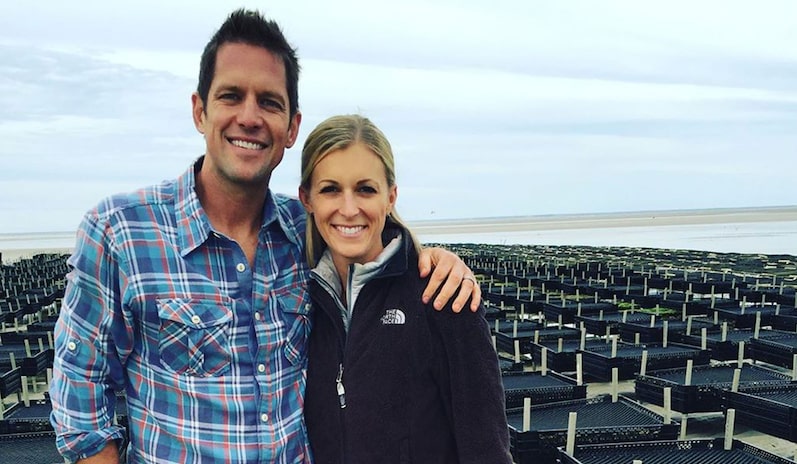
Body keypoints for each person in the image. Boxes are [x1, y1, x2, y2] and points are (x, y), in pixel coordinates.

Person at [49, 9, 481, 464]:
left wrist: (437, 260)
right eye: (231, 96)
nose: (250, 117)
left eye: (270, 102)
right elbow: (81, 404)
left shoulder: (306, 231)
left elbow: (372, 241)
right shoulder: (120, 232)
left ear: (292, 127)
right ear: (200, 111)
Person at [299, 114, 510, 463]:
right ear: (307, 199)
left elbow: (487, 447)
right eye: (330, 189)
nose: (348, 209)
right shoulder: (299, 302)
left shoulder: (442, 295)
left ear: (391, 197)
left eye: (366, 189)